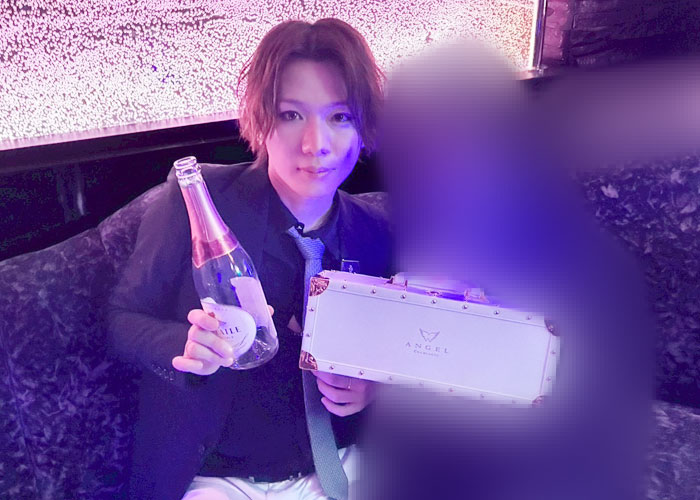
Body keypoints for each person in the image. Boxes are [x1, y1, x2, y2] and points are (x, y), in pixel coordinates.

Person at [107, 18, 391, 500]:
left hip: (346, 463)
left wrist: (377, 390)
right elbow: (120, 320)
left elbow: (410, 349)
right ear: (262, 119)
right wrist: (184, 345)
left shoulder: (378, 231)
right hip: (222, 477)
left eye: (341, 117)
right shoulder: (198, 201)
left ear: (363, 127)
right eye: (291, 115)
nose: (316, 144)